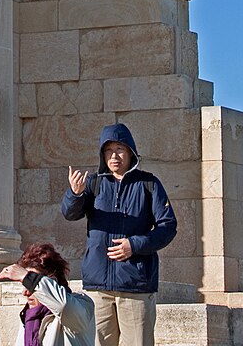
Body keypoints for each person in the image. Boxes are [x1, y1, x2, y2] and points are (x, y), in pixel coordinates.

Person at [61, 123, 177, 346]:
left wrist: (134, 245)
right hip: (98, 287)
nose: (114, 156)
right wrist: (74, 195)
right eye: (108, 150)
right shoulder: (94, 183)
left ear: (131, 152)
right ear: (102, 154)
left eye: (120, 149)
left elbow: (168, 226)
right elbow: (70, 214)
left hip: (135, 285)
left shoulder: (149, 184)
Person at [0, 242, 96, 346]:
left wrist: (28, 277)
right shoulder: (29, 317)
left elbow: (63, 306)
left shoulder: (82, 304)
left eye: (31, 286)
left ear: (52, 282)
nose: (25, 293)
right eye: (25, 285)